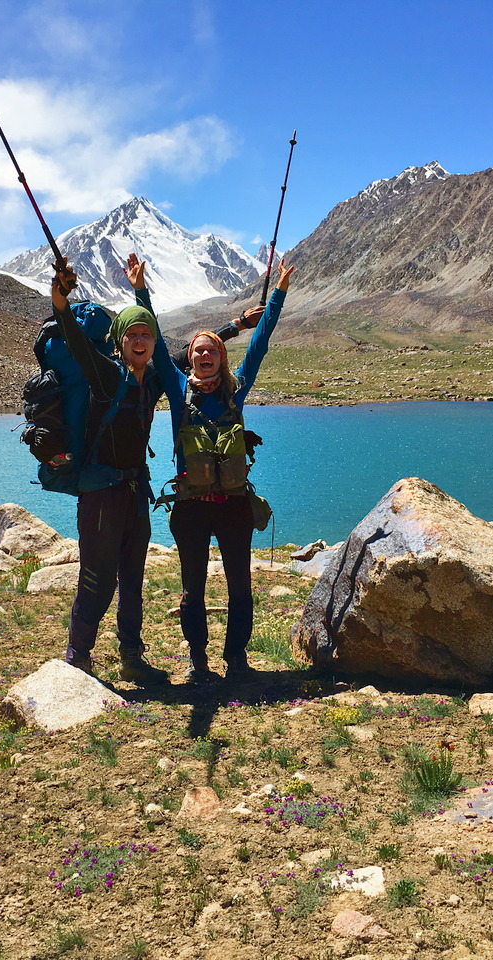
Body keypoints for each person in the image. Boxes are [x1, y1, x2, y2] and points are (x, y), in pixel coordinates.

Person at [148, 258, 296, 683]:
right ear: (190, 359)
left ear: (222, 357)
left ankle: (237, 660)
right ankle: (198, 660)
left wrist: (279, 295)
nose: (205, 355)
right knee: (192, 589)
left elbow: (260, 344)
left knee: (240, 588)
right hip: (190, 508)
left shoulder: (236, 390)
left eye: (212, 350)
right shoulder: (178, 392)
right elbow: (157, 346)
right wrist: (142, 293)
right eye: (198, 351)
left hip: (233, 506)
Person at [50, 258, 168, 684]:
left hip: (136, 495)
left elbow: (193, 356)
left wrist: (238, 324)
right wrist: (59, 296)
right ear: (119, 342)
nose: (140, 340)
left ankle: (131, 656)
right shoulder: (104, 375)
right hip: (100, 495)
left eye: (146, 334)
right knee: (97, 579)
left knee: (133, 580)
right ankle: (77, 654)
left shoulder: (153, 381)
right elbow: (76, 341)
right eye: (132, 334)